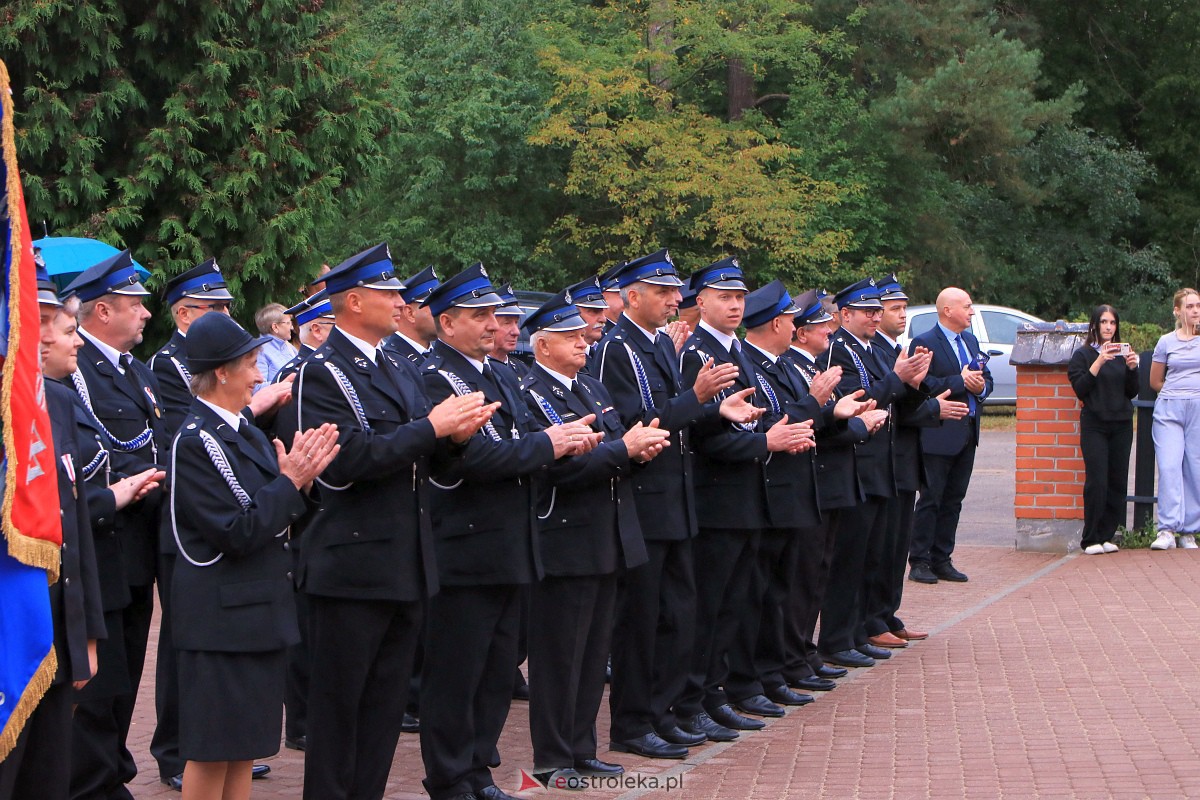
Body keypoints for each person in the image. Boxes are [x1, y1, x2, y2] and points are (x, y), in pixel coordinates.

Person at [293, 244, 494, 800]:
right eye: (388, 293)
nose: (402, 301)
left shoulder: (399, 368)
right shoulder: (321, 372)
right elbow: (345, 461)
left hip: (405, 559)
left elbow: (425, 460)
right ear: (353, 301)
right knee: (340, 711)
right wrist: (432, 428)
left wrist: (456, 439)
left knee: (382, 710)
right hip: (352, 564)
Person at [418, 263, 595, 800]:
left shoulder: (495, 372)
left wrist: (547, 441)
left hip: (511, 543)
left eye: (494, 314)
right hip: (468, 546)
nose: (493, 325)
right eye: (478, 316)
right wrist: (551, 445)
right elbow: (479, 456)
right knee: (457, 671)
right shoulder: (435, 376)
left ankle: (477, 770)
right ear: (447, 323)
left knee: (496, 671)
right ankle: (449, 778)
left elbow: (516, 437)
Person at [591, 250, 760, 757]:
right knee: (641, 623)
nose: (672, 300)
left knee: (676, 618)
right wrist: (698, 396)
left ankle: (664, 713)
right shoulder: (617, 348)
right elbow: (633, 425)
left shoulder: (659, 345)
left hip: (675, 502)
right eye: (662, 292)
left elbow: (678, 420)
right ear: (632, 296)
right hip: (645, 503)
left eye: (673, 292)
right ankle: (633, 723)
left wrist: (715, 410)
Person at [166, 312, 338, 800]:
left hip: (255, 612)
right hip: (222, 619)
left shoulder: (243, 430)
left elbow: (274, 512)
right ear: (221, 371)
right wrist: (291, 482)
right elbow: (237, 530)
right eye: (251, 364)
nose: (260, 375)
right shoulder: (198, 440)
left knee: (244, 746)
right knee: (212, 749)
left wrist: (297, 483)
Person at [517, 292, 670, 785]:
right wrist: (623, 449)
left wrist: (637, 449)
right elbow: (558, 469)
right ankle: (553, 758)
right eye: (569, 337)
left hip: (608, 534)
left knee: (590, 653)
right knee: (560, 657)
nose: (583, 342)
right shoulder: (532, 392)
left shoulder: (587, 385)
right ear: (542, 346)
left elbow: (614, 439)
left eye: (582, 335)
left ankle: (582, 747)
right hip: (567, 536)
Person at [676, 259, 812, 729]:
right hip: (719, 498)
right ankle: (695, 702)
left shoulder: (741, 350)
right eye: (724, 298)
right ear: (701, 303)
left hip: (750, 495)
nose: (734, 305)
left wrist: (784, 430)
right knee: (710, 608)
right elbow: (706, 435)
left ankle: (718, 693)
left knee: (735, 605)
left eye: (739, 298)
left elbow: (756, 414)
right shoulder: (698, 353)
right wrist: (767, 442)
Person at [0, 269, 115, 800]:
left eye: (53, 321)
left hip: (53, 629)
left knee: (48, 777)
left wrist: (84, 634)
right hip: (9, 631)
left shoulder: (58, 403)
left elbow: (73, 531)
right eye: (38, 321)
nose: (49, 334)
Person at [63, 250, 171, 800]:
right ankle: (95, 781)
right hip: (105, 538)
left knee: (125, 673)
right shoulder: (78, 372)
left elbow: (157, 441)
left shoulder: (136, 371)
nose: (147, 315)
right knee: (99, 682)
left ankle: (112, 768)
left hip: (137, 545)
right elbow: (98, 457)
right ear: (101, 311)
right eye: (135, 305)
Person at [819, 277, 930, 669]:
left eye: (876, 311)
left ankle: (854, 631)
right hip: (858, 463)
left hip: (878, 464)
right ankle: (838, 636)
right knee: (849, 558)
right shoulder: (839, 349)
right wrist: (897, 379)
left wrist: (909, 381)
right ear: (844, 314)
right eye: (867, 311)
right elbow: (861, 401)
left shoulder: (873, 350)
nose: (874, 317)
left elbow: (895, 394)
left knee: (868, 554)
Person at [907, 286, 992, 584]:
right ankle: (919, 560)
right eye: (967, 306)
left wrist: (981, 388)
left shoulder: (969, 340)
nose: (971, 311)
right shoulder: (924, 341)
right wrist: (960, 381)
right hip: (937, 432)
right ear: (948, 311)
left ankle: (942, 558)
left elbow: (984, 377)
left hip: (967, 430)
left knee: (954, 499)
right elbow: (920, 382)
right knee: (931, 498)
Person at [1068, 305, 1140, 554]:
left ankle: (1108, 534)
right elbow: (1081, 388)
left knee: (1117, 480)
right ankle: (1090, 538)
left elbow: (1132, 391)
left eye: (1113, 323)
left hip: (1121, 424)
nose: (1109, 327)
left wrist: (1132, 368)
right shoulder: (1084, 355)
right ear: (1095, 325)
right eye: (1104, 322)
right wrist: (1099, 361)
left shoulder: (1123, 353)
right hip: (1095, 424)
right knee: (1097, 480)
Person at [1148, 288, 1200, 550]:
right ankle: (1167, 529)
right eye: (1189, 306)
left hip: (1198, 409)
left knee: (1195, 468)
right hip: (1170, 408)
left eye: (1198, 306)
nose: (1195, 311)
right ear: (1177, 311)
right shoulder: (1166, 341)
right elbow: (1155, 380)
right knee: (1169, 466)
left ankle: (1188, 531)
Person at [382, 265, 439, 364]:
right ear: (410, 313)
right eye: (435, 305)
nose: (442, 312)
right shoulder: (392, 360)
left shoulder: (440, 353)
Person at [253, 303, 297, 386]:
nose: (292, 327)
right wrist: (287, 384)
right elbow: (257, 388)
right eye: (288, 323)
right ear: (275, 327)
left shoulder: (288, 347)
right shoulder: (260, 351)